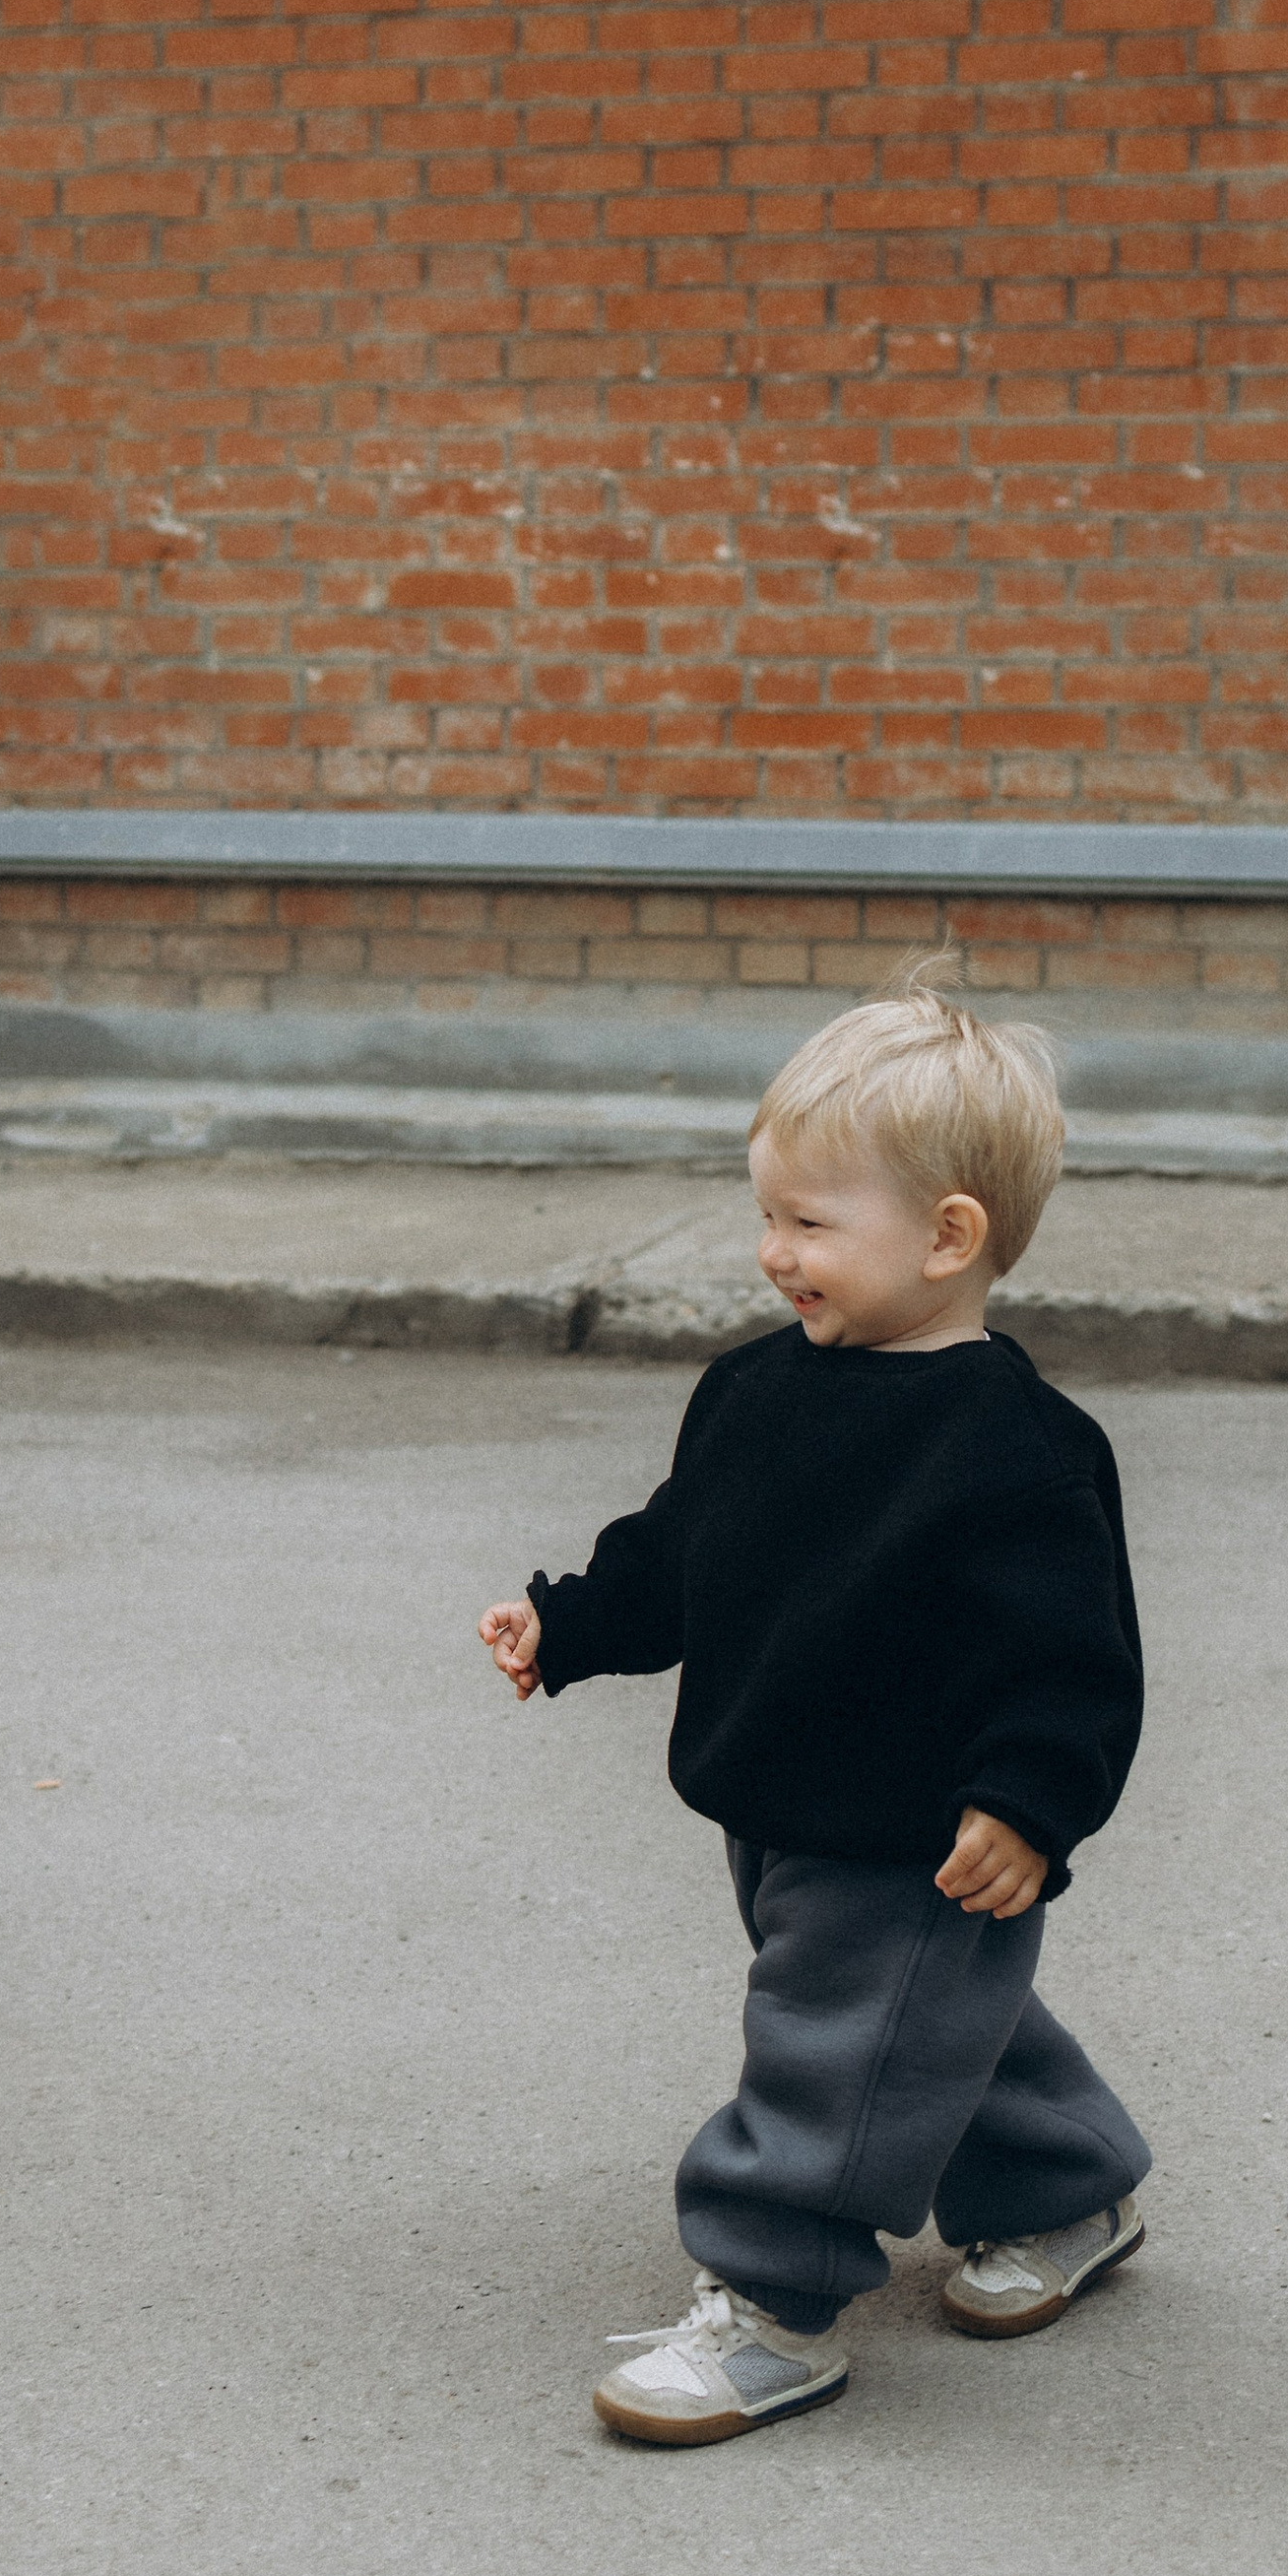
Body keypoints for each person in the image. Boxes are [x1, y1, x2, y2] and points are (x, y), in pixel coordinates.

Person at [478, 967, 1149, 2447]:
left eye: (810, 1222)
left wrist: (1029, 1803)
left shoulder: (1019, 1452)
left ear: (948, 1235)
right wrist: (571, 1622)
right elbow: (680, 1557)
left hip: (918, 1829)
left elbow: (1074, 1660)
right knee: (919, 2028)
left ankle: (774, 2304)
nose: (774, 1252)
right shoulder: (757, 1391)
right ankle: (1063, 2183)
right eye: (767, 1214)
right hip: (780, 1799)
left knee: (835, 2050)